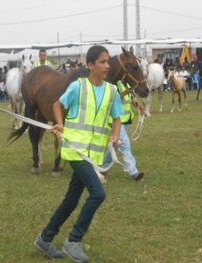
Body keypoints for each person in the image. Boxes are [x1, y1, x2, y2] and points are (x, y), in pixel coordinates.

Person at [34, 45, 123, 263]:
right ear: (90, 65)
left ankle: (45, 238)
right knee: (98, 193)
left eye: (107, 61)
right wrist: (60, 124)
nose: (107, 66)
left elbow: (117, 117)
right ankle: (74, 241)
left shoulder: (112, 91)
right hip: (75, 150)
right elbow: (57, 104)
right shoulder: (78, 86)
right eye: (102, 62)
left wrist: (116, 135)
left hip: (94, 154)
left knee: (72, 199)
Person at [102, 80, 145, 181]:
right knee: (124, 144)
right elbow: (113, 99)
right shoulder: (112, 84)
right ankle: (133, 172)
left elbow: (132, 99)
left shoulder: (126, 84)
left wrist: (141, 108)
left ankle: (103, 167)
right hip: (115, 120)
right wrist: (126, 92)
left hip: (125, 120)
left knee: (115, 146)